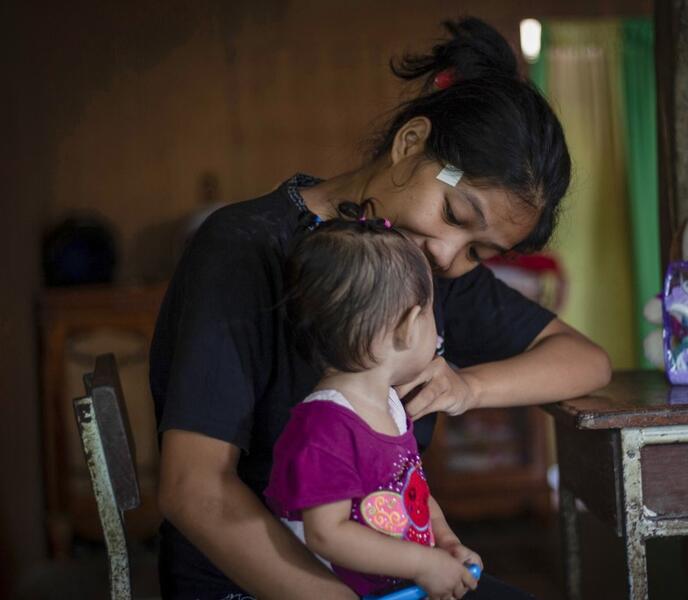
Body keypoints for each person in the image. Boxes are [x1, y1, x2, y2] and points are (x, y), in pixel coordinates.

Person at [151, 16, 612, 600]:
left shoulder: (427, 270)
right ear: (410, 144)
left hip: (389, 575)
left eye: (480, 251)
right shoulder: (244, 248)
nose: (448, 256)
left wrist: (466, 387)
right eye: (452, 213)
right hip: (253, 581)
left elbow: (585, 360)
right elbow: (196, 490)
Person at [265, 216, 483, 599]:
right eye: (432, 311)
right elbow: (326, 533)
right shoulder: (325, 427)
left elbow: (413, 492)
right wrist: (422, 564)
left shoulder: (390, 406)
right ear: (409, 325)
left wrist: (443, 544)